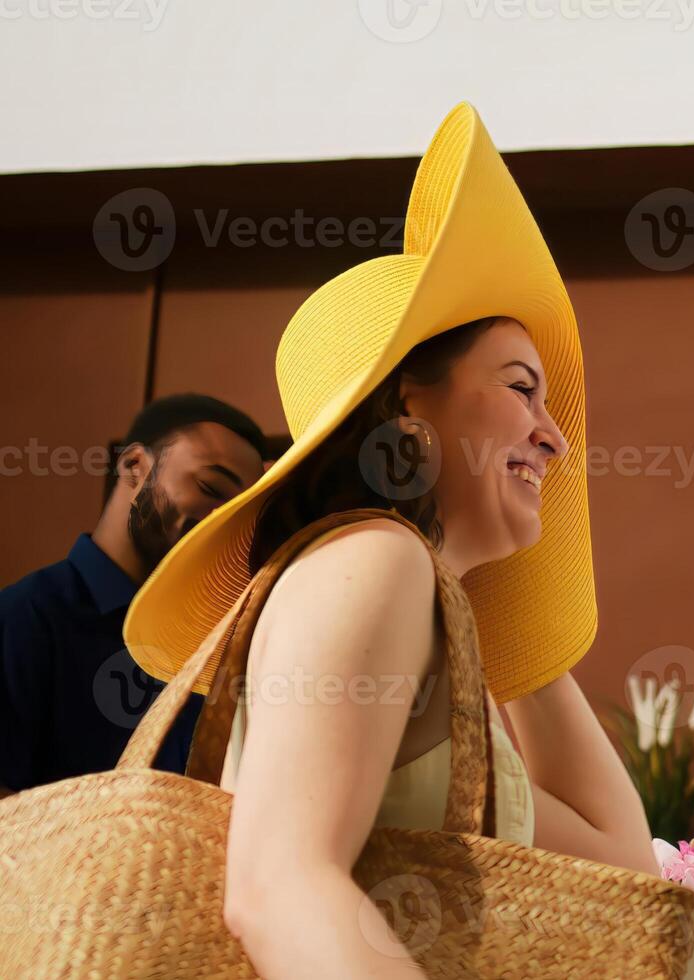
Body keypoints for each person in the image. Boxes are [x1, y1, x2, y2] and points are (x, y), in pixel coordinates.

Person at [120, 105, 653, 976]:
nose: (556, 439)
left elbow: (624, 873)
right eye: (522, 390)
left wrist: (504, 604)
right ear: (410, 401)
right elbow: (278, 884)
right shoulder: (375, 559)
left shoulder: (413, 597)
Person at [0, 394, 269, 795]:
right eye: (211, 487)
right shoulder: (27, 617)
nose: (223, 522)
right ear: (134, 466)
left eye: (239, 512)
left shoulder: (213, 645)